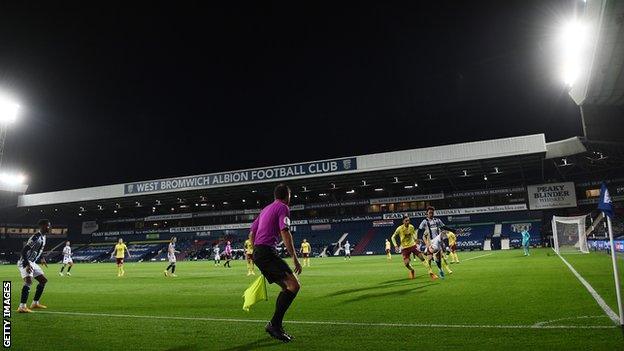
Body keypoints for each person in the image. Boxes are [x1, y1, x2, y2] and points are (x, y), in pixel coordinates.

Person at [250, 184, 302, 342]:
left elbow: (252, 232)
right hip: (266, 252)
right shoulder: (283, 207)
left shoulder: (265, 209)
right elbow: (285, 232)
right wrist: (294, 257)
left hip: (260, 252)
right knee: (294, 285)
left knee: (287, 287)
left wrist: (256, 252)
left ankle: (275, 325)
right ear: (287, 195)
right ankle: (274, 325)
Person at [17, 219, 50, 313]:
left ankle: (35, 303)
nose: (49, 227)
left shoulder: (44, 237)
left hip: (33, 262)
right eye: (48, 226)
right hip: (25, 261)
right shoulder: (35, 237)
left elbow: (39, 250)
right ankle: (22, 307)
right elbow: (24, 251)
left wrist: (42, 258)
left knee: (43, 281)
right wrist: (27, 264)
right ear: (42, 226)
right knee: (28, 281)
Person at [391, 215, 437, 280]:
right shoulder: (399, 228)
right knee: (406, 264)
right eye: (406, 221)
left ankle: (431, 273)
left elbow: (413, 235)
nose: (408, 222)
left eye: (408, 220)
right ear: (403, 221)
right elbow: (393, 237)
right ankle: (412, 270)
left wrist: (416, 240)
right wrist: (395, 245)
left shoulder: (411, 227)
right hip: (404, 248)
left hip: (412, 245)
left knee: (422, 258)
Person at [418, 207, 455, 278]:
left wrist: (453, 230)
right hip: (431, 242)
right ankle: (433, 271)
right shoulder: (425, 222)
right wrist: (420, 239)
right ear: (427, 213)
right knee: (431, 259)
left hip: (437, 241)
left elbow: (444, 227)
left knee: (443, 233)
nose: (431, 214)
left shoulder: (437, 220)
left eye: (432, 213)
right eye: (430, 213)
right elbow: (420, 231)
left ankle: (447, 248)